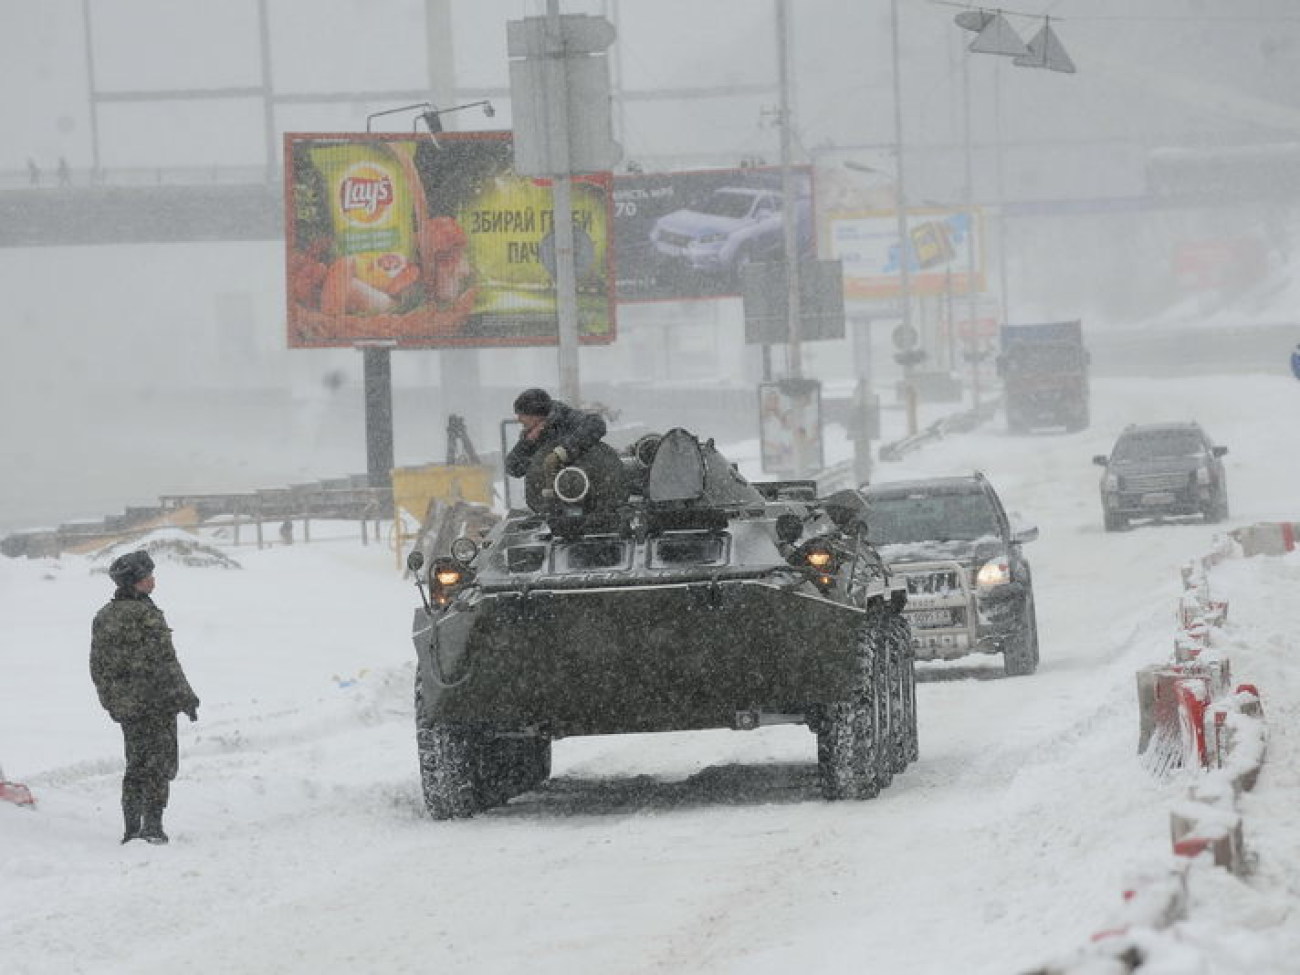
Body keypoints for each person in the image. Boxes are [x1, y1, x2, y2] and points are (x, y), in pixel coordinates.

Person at [90, 550, 200, 845]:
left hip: (128, 708)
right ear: (135, 582)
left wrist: (112, 702)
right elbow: (166, 663)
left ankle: (131, 829)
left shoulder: (103, 617)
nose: (153, 579)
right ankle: (152, 827)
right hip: (156, 704)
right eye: (148, 575)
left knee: (135, 765)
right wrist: (186, 697)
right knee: (159, 765)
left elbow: (97, 667)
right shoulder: (147, 616)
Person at [505, 387, 626, 513]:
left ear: (536, 415)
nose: (519, 419)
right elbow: (513, 467)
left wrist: (563, 452)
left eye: (522, 414)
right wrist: (528, 443)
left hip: (591, 495)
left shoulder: (566, 418)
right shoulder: (533, 436)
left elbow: (596, 425)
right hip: (552, 506)